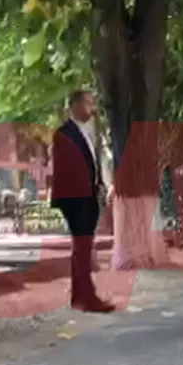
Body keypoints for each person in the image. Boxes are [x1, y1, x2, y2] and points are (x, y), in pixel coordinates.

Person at [50, 89, 114, 312]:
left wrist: (99, 186)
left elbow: (92, 164)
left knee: (83, 249)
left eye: (93, 103)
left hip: (89, 197)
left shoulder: (91, 132)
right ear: (76, 105)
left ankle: (81, 296)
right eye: (88, 103)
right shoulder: (64, 134)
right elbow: (66, 171)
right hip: (75, 199)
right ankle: (87, 298)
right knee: (82, 249)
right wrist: (83, 196)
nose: (92, 108)